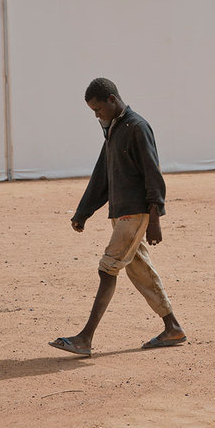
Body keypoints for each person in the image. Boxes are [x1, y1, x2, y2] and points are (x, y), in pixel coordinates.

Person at [49, 77, 186, 357]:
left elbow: (153, 173)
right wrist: (83, 212)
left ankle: (85, 338)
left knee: (107, 268)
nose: (97, 115)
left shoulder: (137, 127)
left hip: (134, 214)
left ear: (112, 100)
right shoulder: (113, 130)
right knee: (140, 272)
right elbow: (102, 175)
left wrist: (155, 217)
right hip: (121, 213)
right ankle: (172, 328)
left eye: (98, 109)